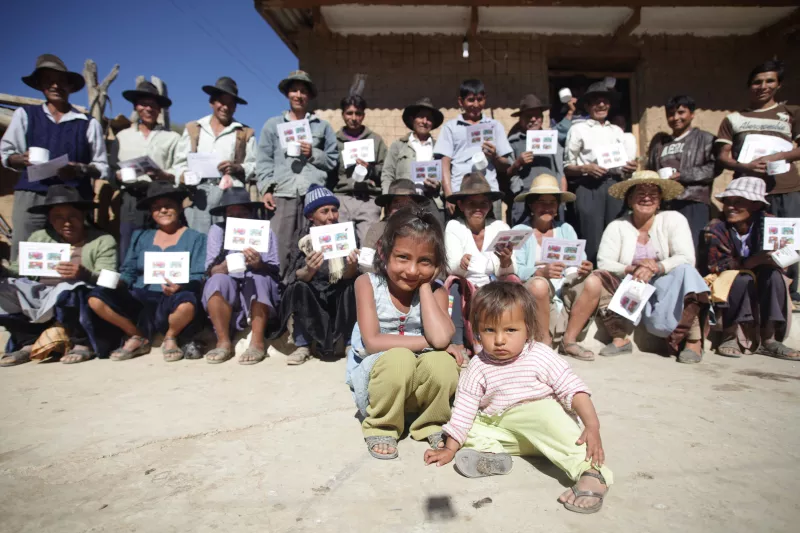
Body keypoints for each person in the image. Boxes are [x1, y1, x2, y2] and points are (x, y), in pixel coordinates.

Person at [424, 282, 613, 515]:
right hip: (506, 429)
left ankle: (592, 473)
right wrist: (450, 449)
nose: (500, 340)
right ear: (477, 331)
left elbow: (573, 389)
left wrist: (592, 425)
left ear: (528, 329)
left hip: (541, 423)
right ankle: (494, 457)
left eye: (510, 330)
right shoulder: (477, 366)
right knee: (467, 427)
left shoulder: (540, 354)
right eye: (490, 330)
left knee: (555, 421)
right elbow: (464, 409)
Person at [347, 206, 457, 459]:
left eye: (425, 262)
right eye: (403, 257)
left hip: (415, 391)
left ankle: (431, 421)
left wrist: (427, 287)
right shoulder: (367, 284)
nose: (412, 271)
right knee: (400, 357)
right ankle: (382, 425)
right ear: (384, 254)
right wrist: (428, 343)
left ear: (438, 265)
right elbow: (373, 342)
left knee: (443, 362)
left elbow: (441, 339)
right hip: (378, 388)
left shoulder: (437, 290)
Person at [570, 171, 709, 362]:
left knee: (687, 271)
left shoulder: (673, 219)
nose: (646, 198)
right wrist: (631, 269)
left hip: (666, 286)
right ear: (629, 200)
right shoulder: (616, 227)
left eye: (653, 194)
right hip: (631, 287)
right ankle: (620, 339)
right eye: (640, 193)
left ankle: (694, 341)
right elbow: (604, 261)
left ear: (660, 201)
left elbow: (686, 257)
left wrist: (656, 267)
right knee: (599, 275)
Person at [0, 54, 108, 261]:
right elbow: (6, 154)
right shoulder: (26, 115)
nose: (55, 85)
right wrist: (21, 160)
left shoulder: (87, 123)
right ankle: (21, 290)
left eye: (60, 81)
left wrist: (79, 170)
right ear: (41, 86)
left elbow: (101, 166)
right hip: (33, 194)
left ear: (70, 86)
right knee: (27, 250)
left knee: (74, 253)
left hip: (74, 196)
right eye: (48, 80)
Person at [87, 182, 206, 362]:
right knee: (96, 298)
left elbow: (199, 274)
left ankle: (170, 336)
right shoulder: (141, 237)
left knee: (187, 303)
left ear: (179, 208)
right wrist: (118, 282)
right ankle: (136, 335)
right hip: (140, 296)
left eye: (168, 206)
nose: (163, 211)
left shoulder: (196, 238)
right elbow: (128, 271)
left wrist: (180, 285)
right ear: (151, 213)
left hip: (174, 296)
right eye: (157, 208)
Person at [0, 186, 117, 366]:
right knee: (3, 288)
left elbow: (111, 280)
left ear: (83, 216)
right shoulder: (39, 237)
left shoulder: (102, 240)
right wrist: (4, 271)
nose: (67, 223)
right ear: (50, 220)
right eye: (58, 217)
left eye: (72, 216)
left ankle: (82, 343)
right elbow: (18, 269)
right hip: (41, 295)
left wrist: (85, 274)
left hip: (78, 299)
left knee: (70, 288)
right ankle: (29, 341)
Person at [716, 60, 800, 307]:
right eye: (757, 82)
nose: (763, 86)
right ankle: (754, 288)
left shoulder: (791, 114)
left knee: (788, 242)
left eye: (769, 81)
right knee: (751, 241)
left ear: (778, 84)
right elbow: (723, 155)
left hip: (784, 187)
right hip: (748, 192)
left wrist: (779, 156)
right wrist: (745, 167)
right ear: (749, 85)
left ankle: (790, 292)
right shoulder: (734, 119)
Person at [700, 177, 797, 360]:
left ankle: (769, 339)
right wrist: (752, 261)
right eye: (728, 202)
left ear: (756, 205)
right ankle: (729, 335)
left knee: (773, 276)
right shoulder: (715, 228)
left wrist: (783, 257)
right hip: (728, 279)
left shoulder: (771, 224)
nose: (730, 207)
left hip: (762, 276)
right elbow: (716, 265)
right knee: (739, 278)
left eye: (738, 202)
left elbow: (789, 262)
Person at [256, 71, 338, 280]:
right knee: (280, 247)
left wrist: (314, 154)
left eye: (303, 91)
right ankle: (279, 295)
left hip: (313, 197)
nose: (298, 95)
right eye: (294, 90)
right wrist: (266, 188)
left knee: (312, 247)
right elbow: (263, 160)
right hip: (283, 193)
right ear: (288, 94)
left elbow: (332, 160)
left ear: (309, 96)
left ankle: (306, 291)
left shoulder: (323, 127)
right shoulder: (272, 125)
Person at [511, 174, 595, 359]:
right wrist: (540, 271)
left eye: (552, 202)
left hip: (564, 287)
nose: (547, 207)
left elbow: (580, 260)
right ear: (531, 205)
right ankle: (544, 342)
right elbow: (515, 269)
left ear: (557, 207)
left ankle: (569, 341)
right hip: (536, 290)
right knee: (539, 285)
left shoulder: (566, 229)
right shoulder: (520, 232)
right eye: (541, 202)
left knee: (594, 282)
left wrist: (585, 268)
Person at [273, 185, 358, 365]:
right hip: (316, 295)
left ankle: (351, 343)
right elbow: (295, 274)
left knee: (356, 285)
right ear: (311, 216)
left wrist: (351, 266)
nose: (331, 217)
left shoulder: (346, 234)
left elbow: (349, 275)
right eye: (324, 211)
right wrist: (309, 269)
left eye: (334, 210)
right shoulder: (302, 238)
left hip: (339, 294)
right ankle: (302, 345)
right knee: (298, 287)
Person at [202, 188, 280, 365]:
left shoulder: (263, 230)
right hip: (229, 282)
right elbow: (210, 270)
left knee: (258, 276)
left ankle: (257, 342)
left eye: (242, 213)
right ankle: (223, 342)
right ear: (225, 215)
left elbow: (274, 267)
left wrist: (258, 262)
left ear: (250, 213)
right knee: (217, 280)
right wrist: (224, 266)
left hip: (256, 283)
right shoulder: (217, 230)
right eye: (232, 214)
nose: (237, 218)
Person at [564, 81, 638, 264]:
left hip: (614, 186)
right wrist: (585, 168)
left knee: (615, 234)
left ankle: (614, 280)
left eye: (605, 101)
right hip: (588, 187)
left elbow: (625, 167)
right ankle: (592, 281)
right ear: (588, 106)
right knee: (592, 237)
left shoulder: (618, 132)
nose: (601, 105)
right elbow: (567, 166)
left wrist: (629, 169)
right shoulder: (578, 129)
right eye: (596, 102)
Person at [444, 173, 516, 360]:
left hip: (493, 285)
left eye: (483, 203)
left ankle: (511, 338)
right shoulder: (454, 227)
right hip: (466, 288)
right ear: (461, 205)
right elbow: (451, 267)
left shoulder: (500, 226)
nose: (478, 208)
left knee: (513, 281)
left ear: (489, 205)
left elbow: (508, 269)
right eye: (471, 204)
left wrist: (506, 261)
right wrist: (462, 265)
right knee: (454, 283)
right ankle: (458, 341)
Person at [172, 77, 256, 234]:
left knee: (227, 240)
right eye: (221, 102)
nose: (225, 107)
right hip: (198, 196)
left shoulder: (244, 133)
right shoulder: (194, 129)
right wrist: (185, 176)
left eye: (231, 104)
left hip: (230, 197)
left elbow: (255, 165)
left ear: (235, 108)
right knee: (199, 239)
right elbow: (179, 164)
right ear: (212, 102)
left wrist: (237, 168)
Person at [109, 80, 179, 261]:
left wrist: (164, 175)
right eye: (144, 104)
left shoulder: (172, 138)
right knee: (130, 244)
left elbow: (181, 168)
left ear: (159, 109)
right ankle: (129, 287)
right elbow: (111, 169)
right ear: (136, 107)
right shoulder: (122, 137)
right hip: (132, 198)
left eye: (153, 105)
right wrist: (117, 176)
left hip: (162, 198)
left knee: (162, 244)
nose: (148, 109)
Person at [434, 79, 513, 219]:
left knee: (491, 235)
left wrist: (494, 156)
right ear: (461, 101)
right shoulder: (451, 127)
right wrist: (448, 195)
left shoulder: (495, 126)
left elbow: (505, 165)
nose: (476, 104)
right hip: (460, 192)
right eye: (471, 100)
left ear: (485, 99)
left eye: (480, 99)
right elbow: (444, 163)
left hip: (489, 192)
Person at [646, 95, 716, 248]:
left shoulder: (705, 139)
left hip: (692, 200)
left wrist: (683, 175)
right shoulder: (660, 144)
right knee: (667, 247)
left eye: (681, 112)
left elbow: (712, 169)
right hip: (667, 203)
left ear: (692, 114)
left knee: (693, 247)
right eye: (670, 114)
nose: (675, 117)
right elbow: (650, 170)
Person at [330, 95, 388, 244]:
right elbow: (327, 168)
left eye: (358, 113)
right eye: (349, 113)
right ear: (342, 114)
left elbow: (385, 170)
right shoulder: (333, 141)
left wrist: (370, 170)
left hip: (368, 199)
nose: (354, 118)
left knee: (369, 246)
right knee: (341, 246)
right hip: (341, 198)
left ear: (363, 115)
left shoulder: (375, 140)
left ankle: (367, 269)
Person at [382, 97, 445, 224]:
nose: (425, 121)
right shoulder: (398, 146)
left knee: (435, 238)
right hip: (405, 200)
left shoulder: (440, 148)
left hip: (432, 201)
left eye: (429, 118)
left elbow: (447, 176)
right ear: (412, 120)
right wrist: (388, 201)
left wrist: (438, 186)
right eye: (421, 117)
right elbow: (387, 174)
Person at [506, 94, 566, 226]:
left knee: (554, 234)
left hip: (551, 196)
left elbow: (560, 172)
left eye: (537, 116)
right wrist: (518, 163)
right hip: (524, 195)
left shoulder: (552, 140)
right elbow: (506, 173)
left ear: (542, 118)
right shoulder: (513, 143)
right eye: (528, 116)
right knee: (523, 235)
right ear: (520, 119)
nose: (533, 119)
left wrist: (562, 198)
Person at [362, 179, 428, 251]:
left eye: (408, 204)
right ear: (388, 208)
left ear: (416, 207)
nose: (403, 210)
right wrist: (354, 261)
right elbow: (366, 260)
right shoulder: (377, 230)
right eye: (397, 204)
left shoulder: (425, 232)